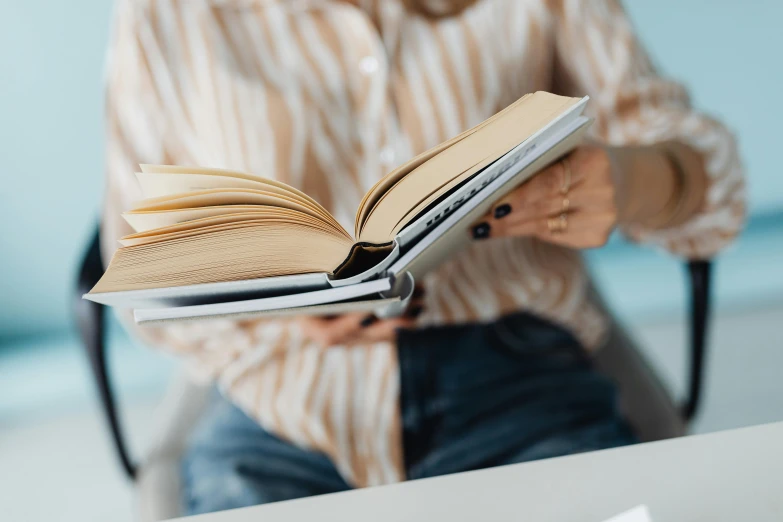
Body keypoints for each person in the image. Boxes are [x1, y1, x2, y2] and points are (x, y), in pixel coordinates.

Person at [102, 0, 745, 515]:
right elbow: (139, 265)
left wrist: (636, 180)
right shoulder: (166, 15)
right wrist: (279, 309)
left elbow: (699, 171)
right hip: (283, 398)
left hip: (515, 371)